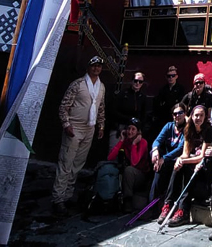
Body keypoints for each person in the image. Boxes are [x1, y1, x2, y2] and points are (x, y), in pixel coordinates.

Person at [51, 55, 106, 215]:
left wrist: (101, 125)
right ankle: (58, 198)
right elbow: (64, 106)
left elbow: (101, 107)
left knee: (77, 164)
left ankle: (67, 196)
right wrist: (66, 124)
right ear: (88, 67)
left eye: (99, 66)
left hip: (89, 128)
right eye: (94, 65)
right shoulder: (78, 84)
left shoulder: (101, 87)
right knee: (66, 163)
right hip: (75, 127)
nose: (96, 68)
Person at [158, 104, 212, 226]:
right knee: (177, 166)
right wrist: (180, 159)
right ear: (191, 116)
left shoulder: (209, 130)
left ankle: (183, 211)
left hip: (203, 166)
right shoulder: (188, 129)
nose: (198, 118)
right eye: (196, 115)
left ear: (205, 117)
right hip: (191, 162)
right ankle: (168, 204)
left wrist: (184, 161)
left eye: (201, 115)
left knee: (186, 168)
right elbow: (185, 153)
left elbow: (202, 156)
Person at [107, 117, 150, 211]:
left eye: (133, 129)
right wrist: (121, 141)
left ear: (138, 132)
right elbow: (110, 157)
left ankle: (128, 200)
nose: (130, 132)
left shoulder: (143, 142)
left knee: (129, 170)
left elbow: (134, 163)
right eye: (128, 128)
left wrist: (134, 144)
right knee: (113, 167)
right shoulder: (126, 141)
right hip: (129, 175)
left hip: (141, 175)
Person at [150, 104, 187, 201]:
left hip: (179, 160)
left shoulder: (187, 128)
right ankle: (152, 202)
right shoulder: (169, 126)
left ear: (185, 114)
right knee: (158, 167)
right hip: (166, 160)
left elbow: (180, 148)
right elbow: (157, 140)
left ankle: (168, 202)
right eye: (175, 114)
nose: (177, 115)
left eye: (180, 113)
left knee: (172, 168)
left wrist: (164, 158)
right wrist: (155, 150)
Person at [111, 71, 148, 149]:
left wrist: (140, 129)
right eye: (135, 81)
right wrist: (128, 118)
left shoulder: (143, 97)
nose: (137, 83)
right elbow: (114, 111)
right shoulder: (123, 94)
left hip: (134, 129)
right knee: (114, 148)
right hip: (120, 126)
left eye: (140, 82)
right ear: (132, 81)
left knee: (131, 150)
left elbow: (143, 115)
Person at [152, 66, 186, 138]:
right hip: (164, 117)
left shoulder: (181, 89)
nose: (171, 78)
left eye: (173, 76)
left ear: (176, 76)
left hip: (176, 116)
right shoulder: (163, 90)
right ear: (166, 77)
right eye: (169, 76)